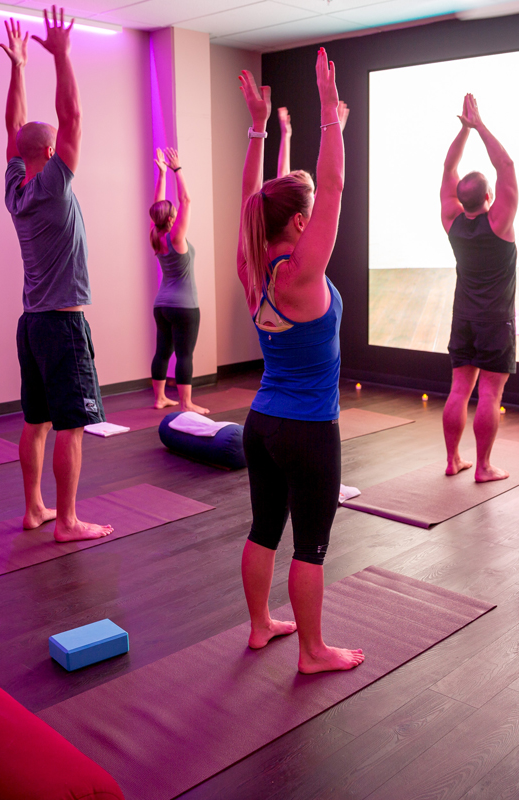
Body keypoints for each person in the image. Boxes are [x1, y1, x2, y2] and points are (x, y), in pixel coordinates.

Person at [235, 50, 364, 674]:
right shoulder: (305, 276)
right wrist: (327, 113)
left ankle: (261, 626)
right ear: (303, 223)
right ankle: (313, 652)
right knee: (310, 545)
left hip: (260, 424)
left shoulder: (254, 269)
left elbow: (249, 205)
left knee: (264, 529)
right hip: (310, 429)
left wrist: (260, 129)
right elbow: (333, 185)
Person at [0, 8, 112, 542]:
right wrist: (62, 56)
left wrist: (19, 66)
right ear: (49, 153)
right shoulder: (49, 187)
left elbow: (11, 126)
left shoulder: (15, 188)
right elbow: (73, 119)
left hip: (31, 324)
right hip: (63, 324)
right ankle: (66, 520)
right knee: (71, 424)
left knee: (36, 419)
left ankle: (34, 508)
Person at [439, 94, 519, 483]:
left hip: (464, 317)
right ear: (489, 198)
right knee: (488, 394)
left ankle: (453, 460)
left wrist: (463, 130)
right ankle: (483, 467)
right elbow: (504, 165)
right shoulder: (499, 222)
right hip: (495, 321)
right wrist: (480, 125)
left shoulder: (451, 220)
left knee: (459, 390)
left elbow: (448, 165)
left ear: (460, 198)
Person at [149, 147, 208, 414]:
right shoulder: (176, 238)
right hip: (184, 307)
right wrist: (177, 170)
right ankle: (186, 403)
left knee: (163, 351)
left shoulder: (156, 235)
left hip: (161, 306)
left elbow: (157, 207)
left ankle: (160, 398)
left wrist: (161, 175)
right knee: (184, 354)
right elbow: (186, 199)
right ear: (172, 218)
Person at [274, 102, 348, 178]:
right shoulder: (318, 189)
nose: (300, 172)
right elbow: (331, 176)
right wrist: (336, 135)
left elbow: (283, 176)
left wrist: (286, 134)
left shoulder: (286, 187)